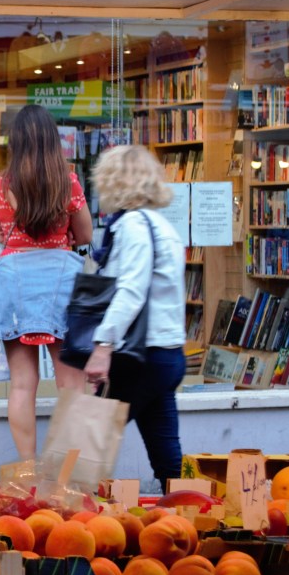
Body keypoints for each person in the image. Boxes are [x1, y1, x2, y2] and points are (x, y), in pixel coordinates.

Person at [0, 104, 93, 460]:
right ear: (52, 140)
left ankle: (28, 469)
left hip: (15, 280)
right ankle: (72, 473)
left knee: (22, 383)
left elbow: (0, 234)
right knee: (72, 384)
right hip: (61, 280)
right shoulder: (68, 181)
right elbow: (86, 233)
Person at [84, 144, 187, 489]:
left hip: (140, 355)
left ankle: (69, 517)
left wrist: (102, 345)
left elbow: (131, 290)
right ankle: (185, 514)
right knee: (165, 448)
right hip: (167, 353)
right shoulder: (163, 227)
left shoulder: (131, 227)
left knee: (87, 440)